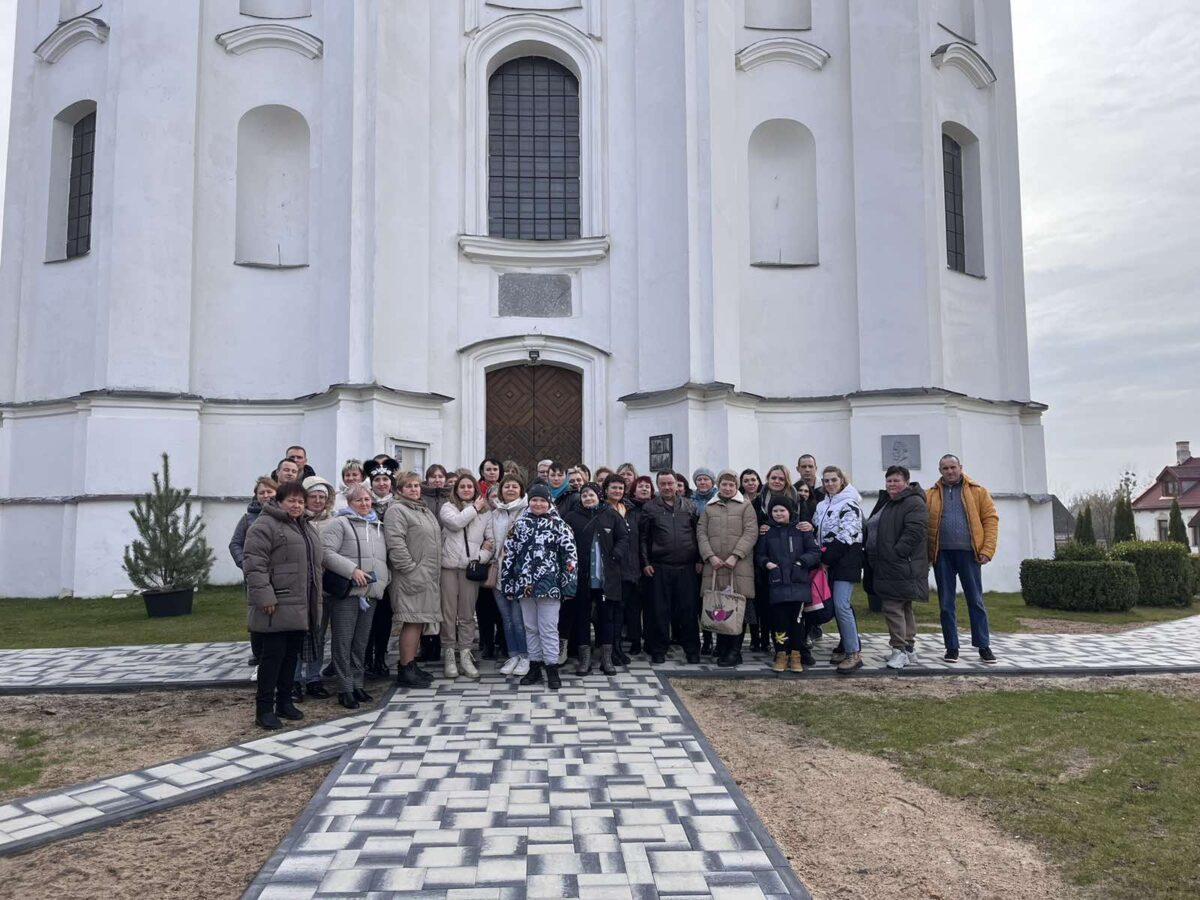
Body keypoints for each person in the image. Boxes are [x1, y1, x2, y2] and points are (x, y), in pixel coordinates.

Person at [243, 481, 322, 730]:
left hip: (301, 603)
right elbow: (254, 564)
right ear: (279, 501)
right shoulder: (264, 526)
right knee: (272, 658)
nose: (297, 505)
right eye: (292, 501)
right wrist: (265, 597)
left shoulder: (305, 526)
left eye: (300, 501)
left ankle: (285, 702)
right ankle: (264, 709)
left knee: (291, 656)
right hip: (277, 602)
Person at [500, 483, 578, 690]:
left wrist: (568, 586)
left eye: (542, 500)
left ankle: (551, 667)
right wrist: (508, 583)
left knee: (549, 628)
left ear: (549, 502)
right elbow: (508, 556)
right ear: (529, 501)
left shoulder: (559, 525)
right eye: (534, 500)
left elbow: (570, 557)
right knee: (530, 627)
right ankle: (534, 665)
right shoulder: (519, 525)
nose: (538, 504)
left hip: (550, 586)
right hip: (524, 585)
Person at [927, 454, 999, 663]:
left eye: (953, 467)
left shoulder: (978, 491)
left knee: (975, 600)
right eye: (945, 468)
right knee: (946, 603)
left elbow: (991, 520)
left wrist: (987, 549)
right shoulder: (931, 494)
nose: (950, 471)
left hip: (969, 553)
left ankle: (983, 645)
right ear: (940, 471)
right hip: (942, 555)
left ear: (961, 467)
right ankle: (951, 647)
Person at [322, 484, 389, 707]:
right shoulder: (339, 523)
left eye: (367, 500)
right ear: (349, 503)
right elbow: (326, 552)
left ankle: (358, 684)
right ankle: (345, 687)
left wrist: (384, 580)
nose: (364, 503)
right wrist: (352, 570)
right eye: (358, 500)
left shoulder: (376, 526)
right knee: (343, 641)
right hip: (348, 592)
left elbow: (381, 558)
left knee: (361, 642)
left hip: (370, 593)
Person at [864, 465, 929, 670]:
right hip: (888, 564)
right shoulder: (891, 502)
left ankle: (899, 650)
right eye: (889, 480)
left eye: (896, 480)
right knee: (903, 606)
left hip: (899, 564)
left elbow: (915, 531)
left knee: (892, 607)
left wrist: (895, 553)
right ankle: (909, 649)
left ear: (907, 482)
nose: (892, 484)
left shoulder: (913, 502)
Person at [384, 471, 442, 687]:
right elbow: (396, 543)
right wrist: (410, 569)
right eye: (409, 486)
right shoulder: (397, 510)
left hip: (426, 575)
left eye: (417, 485)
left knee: (418, 621)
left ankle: (410, 664)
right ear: (399, 490)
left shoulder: (422, 509)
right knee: (411, 621)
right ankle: (405, 668)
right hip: (411, 576)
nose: (414, 489)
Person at [564, 482, 628, 676]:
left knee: (606, 618)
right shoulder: (572, 517)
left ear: (599, 496)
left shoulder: (611, 515)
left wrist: (615, 555)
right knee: (582, 617)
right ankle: (585, 660)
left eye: (591, 495)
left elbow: (624, 537)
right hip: (582, 578)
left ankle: (606, 659)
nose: (588, 498)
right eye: (584, 495)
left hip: (605, 578)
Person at [698, 470, 758, 668]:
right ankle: (722, 648)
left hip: (738, 566)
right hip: (715, 566)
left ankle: (735, 651)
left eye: (732, 485)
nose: (728, 488)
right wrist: (710, 556)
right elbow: (701, 533)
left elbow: (751, 532)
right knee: (719, 608)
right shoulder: (709, 507)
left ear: (736, 486)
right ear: (719, 485)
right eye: (724, 484)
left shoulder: (745, 506)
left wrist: (736, 555)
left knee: (737, 609)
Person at [640, 470, 701, 664]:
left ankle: (692, 649)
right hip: (660, 567)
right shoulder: (650, 508)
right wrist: (646, 563)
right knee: (659, 610)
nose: (667, 487)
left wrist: (699, 559)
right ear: (658, 486)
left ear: (677, 484)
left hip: (687, 567)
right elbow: (643, 539)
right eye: (663, 484)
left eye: (670, 483)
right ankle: (659, 649)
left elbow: (698, 536)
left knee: (688, 610)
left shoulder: (690, 507)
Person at [438, 472, 494, 679]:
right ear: (456, 489)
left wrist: (479, 557)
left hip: (470, 568)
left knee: (467, 614)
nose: (466, 490)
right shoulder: (448, 508)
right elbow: (455, 524)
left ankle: (465, 653)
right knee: (448, 613)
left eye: (470, 487)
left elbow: (491, 540)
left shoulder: (485, 513)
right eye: (462, 487)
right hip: (449, 567)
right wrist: (475, 508)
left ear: (476, 489)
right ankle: (449, 653)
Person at [756, 495, 821, 673]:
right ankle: (781, 654)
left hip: (798, 584)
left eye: (782, 510)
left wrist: (801, 562)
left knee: (797, 623)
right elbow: (760, 555)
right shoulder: (767, 532)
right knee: (779, 622)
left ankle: (796, 655)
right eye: (775, 511)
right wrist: (767, 564)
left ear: (789, 512)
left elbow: (814, 552)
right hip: (777, 584)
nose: (778, 514)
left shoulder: (801, 530)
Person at [813, 466, 865, 674]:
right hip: (828, 562)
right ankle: (846, 645)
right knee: (837, 606)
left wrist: (826, 559)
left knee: (841, 605)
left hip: (845, 561)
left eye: (833, 480)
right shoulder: (821, 505)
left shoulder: (850, 504)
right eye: (826, 481)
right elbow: (818, 532)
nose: (829, 484)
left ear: (842, 480)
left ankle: (854, 653)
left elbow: (847, 535)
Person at [295, 475, 337, 700]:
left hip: (326, 584)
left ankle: (313, 678)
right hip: (302, 586)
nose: (318, 501)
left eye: (322, 497)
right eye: (313, 496)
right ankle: (294, 680)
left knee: (319, 635)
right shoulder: (297, 520)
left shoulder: (334, 520)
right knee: (300, 634)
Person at [230, 476, 277, 666]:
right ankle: (258, 652)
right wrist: (245, 563)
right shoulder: (247, 519)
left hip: (279, 574)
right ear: (256, 496)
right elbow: (235, 544)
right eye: (261, 492)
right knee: (258, 614)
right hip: (255, 575)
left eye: (269, 491)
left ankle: (274, 650)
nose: (265, 495)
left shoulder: (285, 514)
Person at [750, 465, 795, 653]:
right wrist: (761, 528)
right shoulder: (758, 500)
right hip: (763, 556)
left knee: (786, 607)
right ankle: (764, 639)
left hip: (789, 560)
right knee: (763, 602)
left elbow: (801, 522)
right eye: (773, 477)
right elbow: (751, 523)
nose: (777, 481)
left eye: (781, 478)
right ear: (767, 478)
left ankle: (792, 645)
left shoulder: (795, 498)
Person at [489, 474, 531, 677]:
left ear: (521, 490)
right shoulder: (496, 513)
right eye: (507, 487)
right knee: (506, 619)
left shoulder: (528, 511)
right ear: (501, 491)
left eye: (515, 486)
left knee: (518, 619)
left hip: (519, 574)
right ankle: (513, 655)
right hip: (499, 572)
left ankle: (525, 655)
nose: (511, 489)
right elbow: (490, 539)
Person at [363, 458, 399, 676]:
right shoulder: (365, 503)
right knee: (368, 613)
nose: (382, 483)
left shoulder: (397, 504)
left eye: (385, 479)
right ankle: (365, 656)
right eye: (377, 480)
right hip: (369, 564)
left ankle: (380, 656)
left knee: (385, 614)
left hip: (390, 565)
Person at [623, 475, 655, 656]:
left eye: (647, 487)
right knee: (633, 607)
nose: (644, 489)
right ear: (634, 490)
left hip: (654, 564)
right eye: (640, 486)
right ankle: (635, 640)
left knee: (652, 606)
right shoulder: (628, 510)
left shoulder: (656, 508)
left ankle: (650, 640)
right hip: (633, 563)